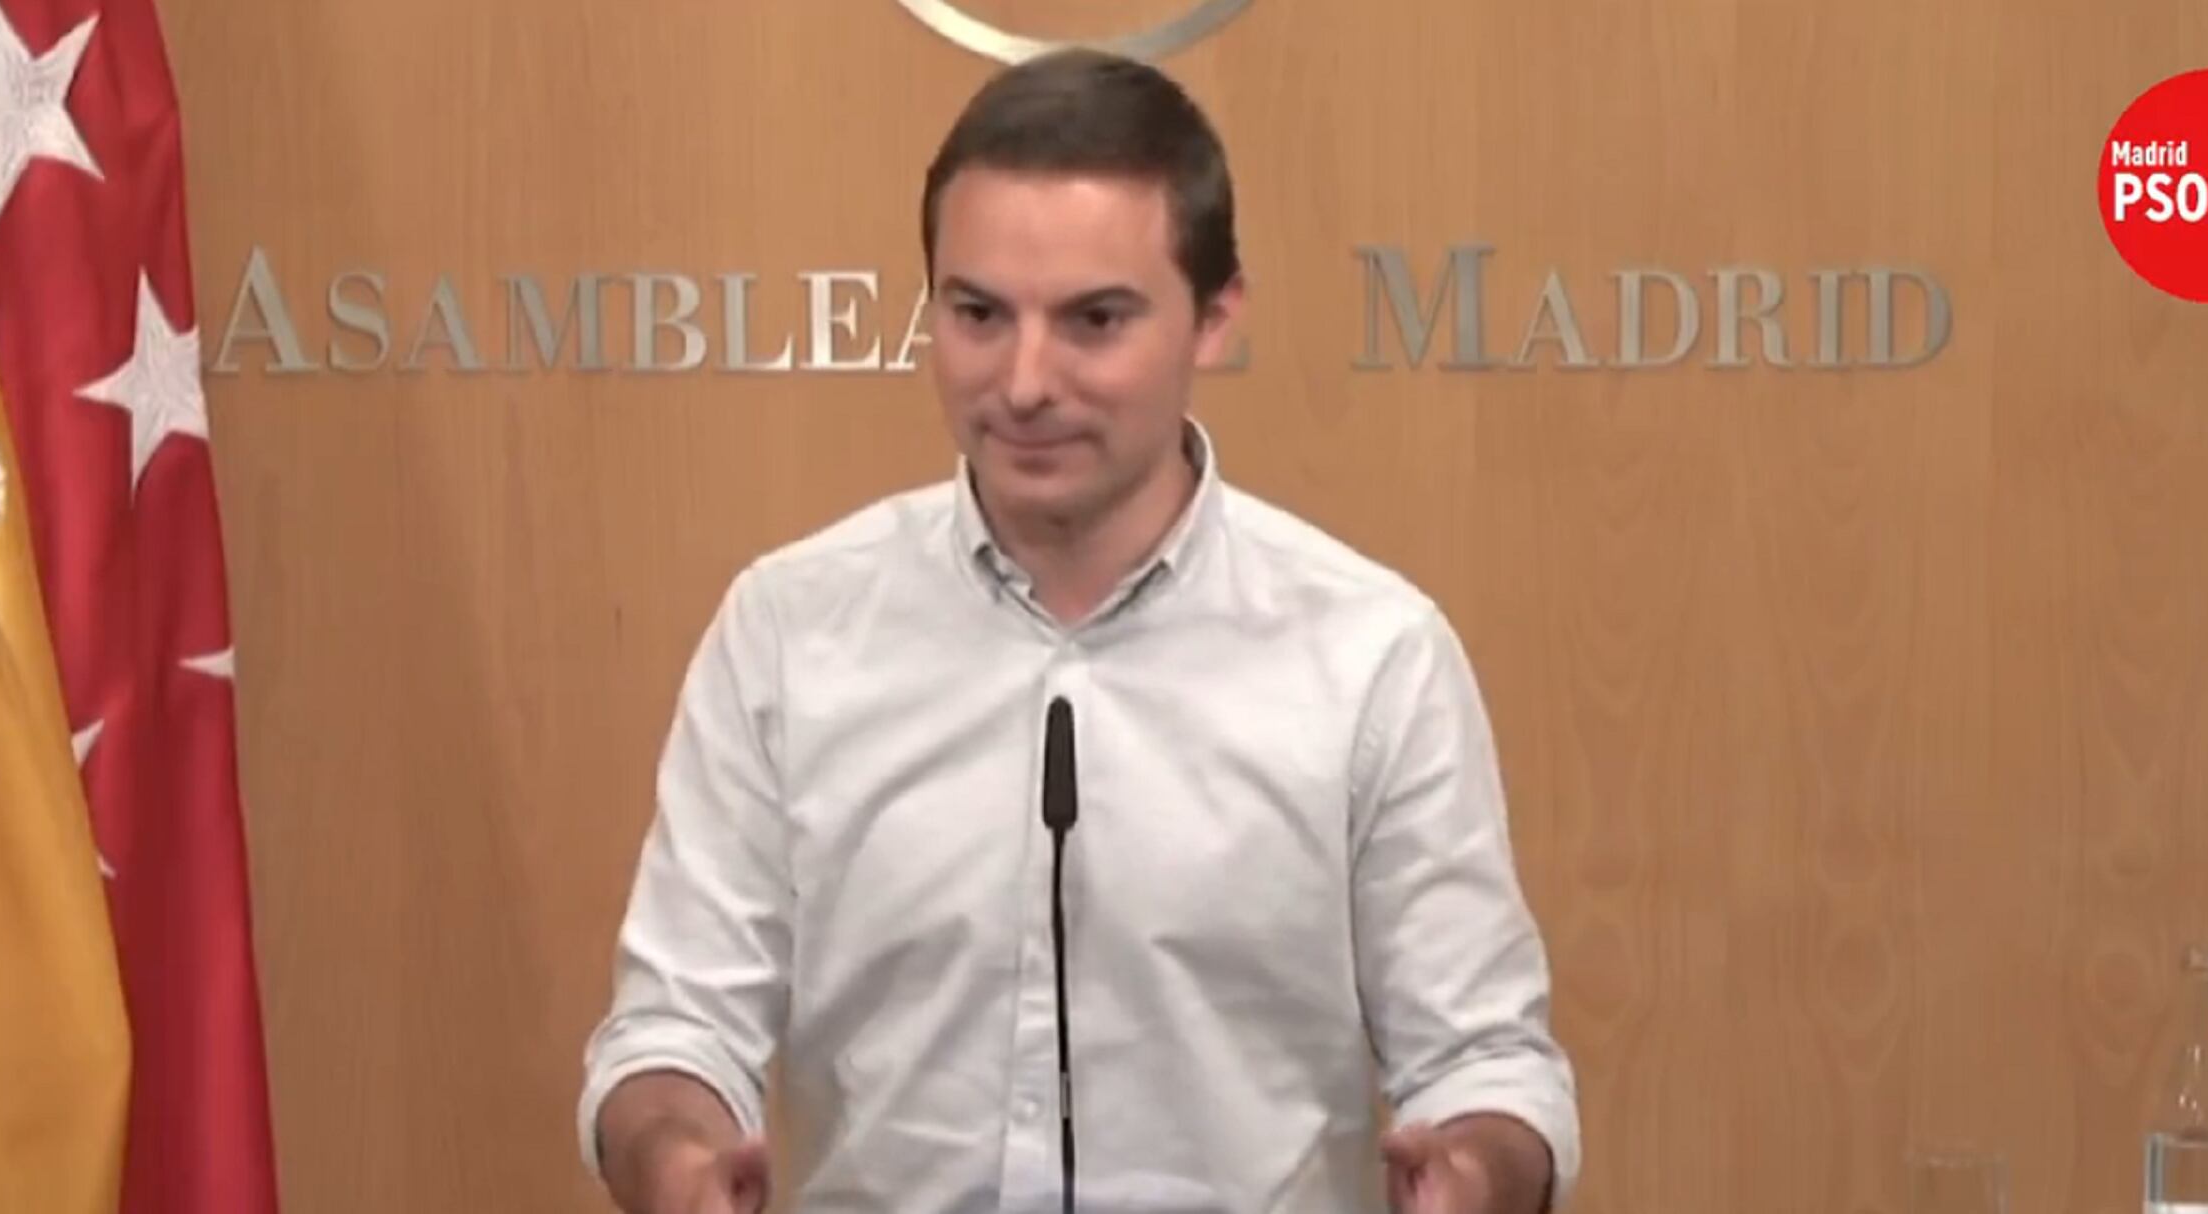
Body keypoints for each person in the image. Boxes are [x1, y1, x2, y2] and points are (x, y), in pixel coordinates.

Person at [578, 46, 1580, 1214]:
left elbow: (1485, 1058)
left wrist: (1479, 1167)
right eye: (977, 314)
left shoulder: (1369, 656)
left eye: (1093, 319)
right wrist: (675, 1154)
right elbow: (675, 1026)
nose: (1023, 380)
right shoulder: (789, 631)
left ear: (1214, 318)